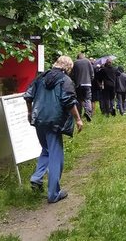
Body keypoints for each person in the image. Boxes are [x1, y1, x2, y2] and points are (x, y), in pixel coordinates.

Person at [23, 55, 83, 204]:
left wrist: (30, 112)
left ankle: (37, 178)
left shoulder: (40, 78)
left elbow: (28, 96)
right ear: (68, 67)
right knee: (56, 156)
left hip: (39, 120)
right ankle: (53, 194)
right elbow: (69, 101)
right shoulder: (65, 81)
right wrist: (78, 119)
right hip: (54, 122)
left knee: (46, 150)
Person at [71, 52, 94, 121]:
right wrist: (90, 80)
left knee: (79, 99)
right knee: (87, 98)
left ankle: (79, 114)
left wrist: (75, 81)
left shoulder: (75, 62)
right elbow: (92, 73)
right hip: (87, 84)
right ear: (83, 56)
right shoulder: (88, 62)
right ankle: (88, 112)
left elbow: (72, 74)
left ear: (78, 57)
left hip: (78, 84)